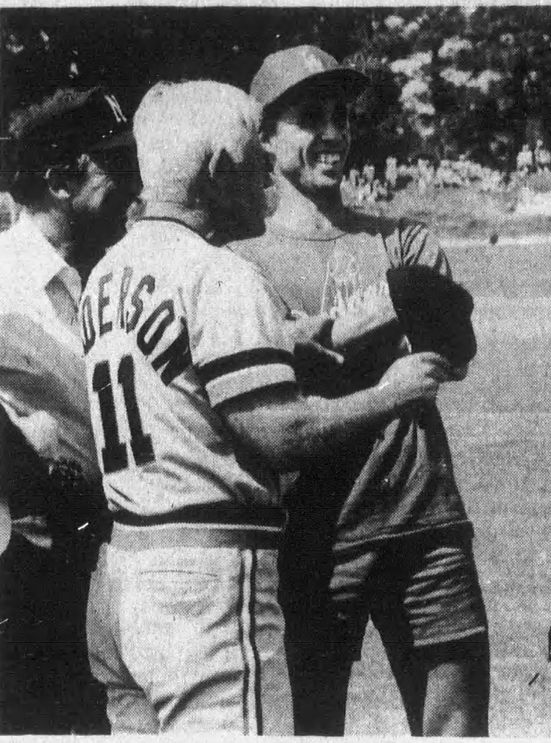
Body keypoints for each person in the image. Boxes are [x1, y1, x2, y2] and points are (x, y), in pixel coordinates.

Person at [79, 79, 454, 735]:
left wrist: (295, 337)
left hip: (124, 569)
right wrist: (390, 394)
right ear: (219, 167)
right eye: (256, 160)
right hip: (203, 576)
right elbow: (280, 432)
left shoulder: (108, 271)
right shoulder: (221, 274)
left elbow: (180, 376)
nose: (266, 178)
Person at [230, 45, 490, 737]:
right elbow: (272, 401)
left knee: (458, 728)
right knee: (311, 726)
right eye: (310, 118)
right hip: (311, 534)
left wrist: (314, 335)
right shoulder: (235, 264)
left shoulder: (401, 238)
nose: (333, 134)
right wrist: (385, 322)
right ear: (265, 135)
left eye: (341, 116)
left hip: (425, 521)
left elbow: (450, 347)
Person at [0, 86, 138, 733]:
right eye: (118, 166)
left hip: (110, 567)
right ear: (60, 181)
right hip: (28, 580)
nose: (136, 187)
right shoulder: (4, 283)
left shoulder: (109, 276)